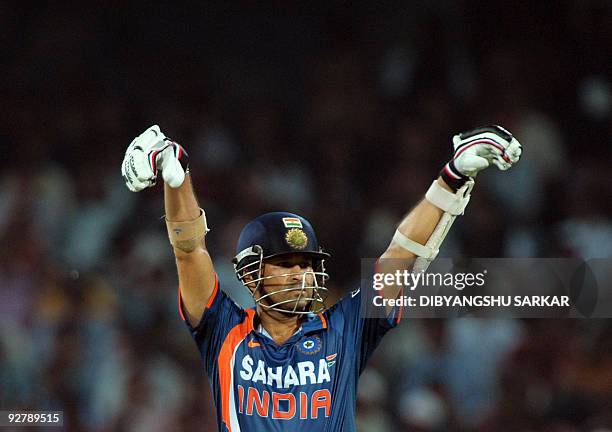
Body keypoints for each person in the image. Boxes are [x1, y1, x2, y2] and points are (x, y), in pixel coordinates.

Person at [121, 124, 522, 431]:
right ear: (251, 273)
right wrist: (178, 177)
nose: (302, 275)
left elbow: (401, 255)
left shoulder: (343, 329)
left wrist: (452, 177)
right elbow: (190, 249)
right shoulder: (223, 329)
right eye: (287, 264)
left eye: (307, 264)